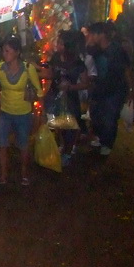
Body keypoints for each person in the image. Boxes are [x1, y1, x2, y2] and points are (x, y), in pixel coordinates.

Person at [0, 36, 43, 186]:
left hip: (23, 113)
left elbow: (39, 91)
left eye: (7, 51)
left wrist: (40, 114)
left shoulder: (28, 69)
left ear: (17, 52)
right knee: (2, 145)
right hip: (4, 112)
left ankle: (24, 173)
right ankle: (3, 175)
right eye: (3, 51)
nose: (4, 54)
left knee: (23, 145)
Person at [39, 31, 88, 166]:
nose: (57, 45)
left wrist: (71, 87)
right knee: (56, 124)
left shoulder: (77, 63)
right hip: (53, 96)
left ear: (68, 45)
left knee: (69, 127)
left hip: (70, 99)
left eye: (61, 43)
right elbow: (51, 74)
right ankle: (62, 145)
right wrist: (36, 71)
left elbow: (86, 83)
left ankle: (67, 152)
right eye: (58, 42)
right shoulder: (55, 57)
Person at [85, 21, 131, 156]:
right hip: (99, 89)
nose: (90, 37)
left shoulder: (117, 50)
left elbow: (126, 70)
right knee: (96, 115)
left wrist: (130, 89)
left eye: (92, 34)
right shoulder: (96, 50)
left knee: (110, 117)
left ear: (101, 35)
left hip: (115, 90)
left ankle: (107, 144)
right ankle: (100, 138)